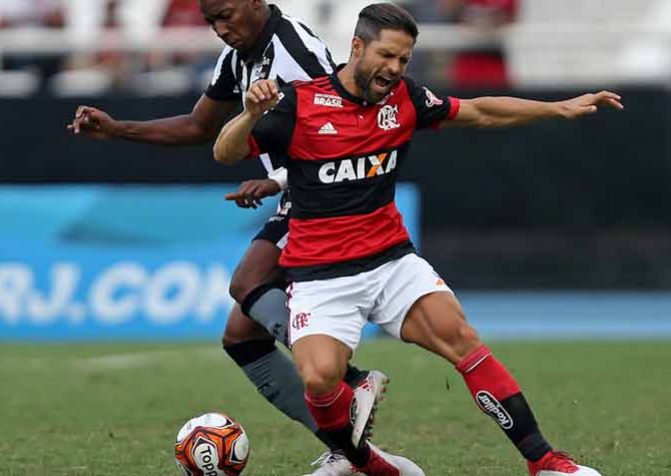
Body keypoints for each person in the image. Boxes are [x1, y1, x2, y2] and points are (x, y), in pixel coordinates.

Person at [213, 3, 623, 475]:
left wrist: (557, 107)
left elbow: (480, 112)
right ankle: (370, 465)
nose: (394, 68)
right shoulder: (299, 103)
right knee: (319, 379)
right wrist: (248, 114)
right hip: (320, 275)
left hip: (390, 262)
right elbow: (225, 152)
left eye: (404, 60)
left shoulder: (405, 99)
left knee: (462, 340)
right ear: (357, 47)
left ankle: (546, 461)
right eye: (387, 55)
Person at [68, 1, 385, 474]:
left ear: (255, 3)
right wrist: (117, 129)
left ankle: (352, 383)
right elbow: (200, 126)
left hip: (327, 192)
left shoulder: (292, 49)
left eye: (227, 15)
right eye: (212, 21)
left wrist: (278, 181)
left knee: (247, 281)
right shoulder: (239, 57)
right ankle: (350, 452)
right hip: (299, 189)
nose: (221, 29)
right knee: (242, 336)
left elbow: (346, 122)